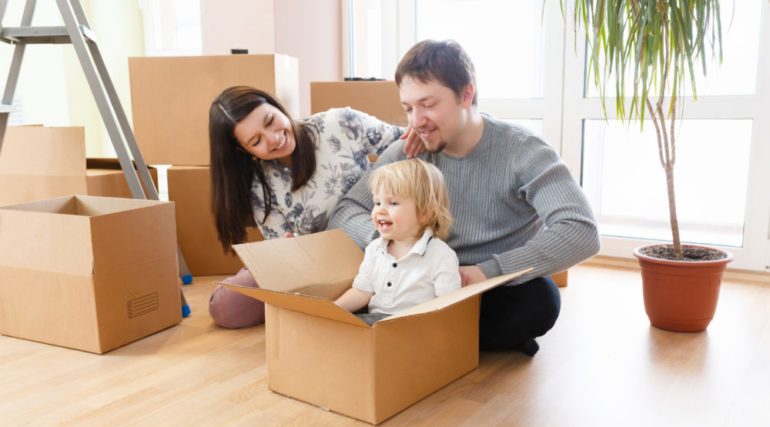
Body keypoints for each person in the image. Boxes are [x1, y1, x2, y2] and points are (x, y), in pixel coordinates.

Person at [329, 40, 600, 356]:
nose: (416, 121)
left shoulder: (523, 151)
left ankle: (409, 333)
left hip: (483, 286)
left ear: (466, 95)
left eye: (428, 105)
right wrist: (395, 236)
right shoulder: (409, 151)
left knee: (541, 300)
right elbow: (346, 210)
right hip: (411, 281)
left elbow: (581, 231)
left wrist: (485, 272)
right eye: (408, 108)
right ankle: (434, 336)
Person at [208, 86, 406, 328]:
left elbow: (404, 145)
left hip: (377, 242)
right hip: (320, 268)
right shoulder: (259, 186)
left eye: (270, 121)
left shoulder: (339, 123)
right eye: (256, 141)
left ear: (277, 105)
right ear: (244, 150)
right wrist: (288, 248)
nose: (273, 139)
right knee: (227, 306)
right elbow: (283, 249)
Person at [334, 159, 461, 325]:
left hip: (415, 326)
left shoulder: (440, 255)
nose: (380, 210)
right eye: (377, 202)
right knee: (342, 326)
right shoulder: (375, 249)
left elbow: (450, 307)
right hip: (377, 325)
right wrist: (332, 309)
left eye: (393, 203)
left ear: (425, 213)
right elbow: (361, 292)